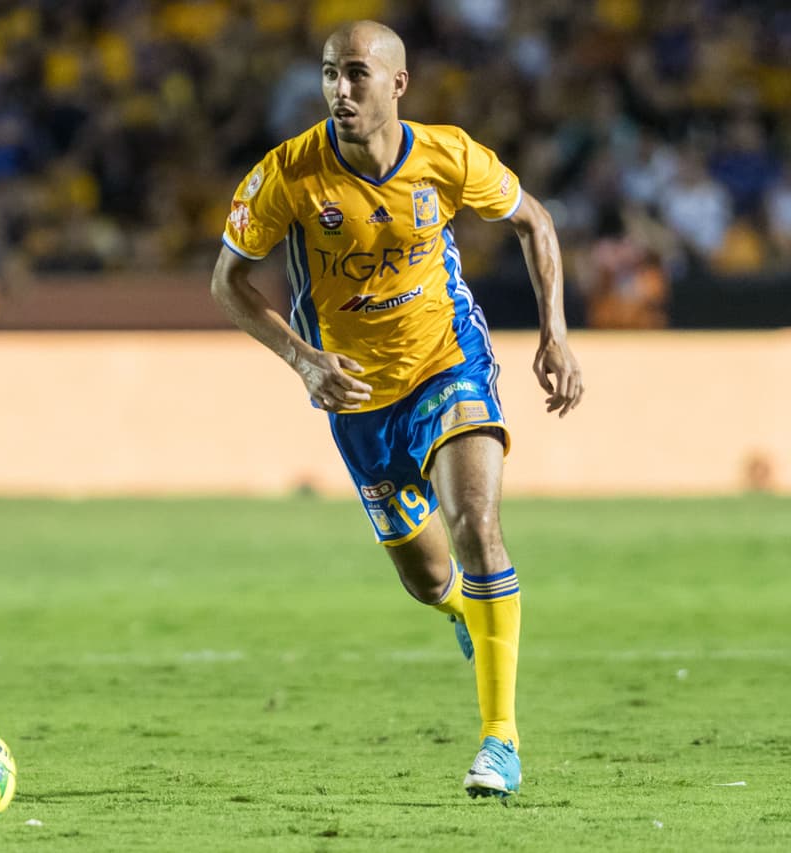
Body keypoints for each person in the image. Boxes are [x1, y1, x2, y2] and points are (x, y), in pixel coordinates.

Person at [210, 20, 583, 800]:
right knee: (427, 576)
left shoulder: (447, 155)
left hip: (447, 360)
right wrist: (303, 360)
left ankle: (500, 739)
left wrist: (555, 333)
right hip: (357, 394)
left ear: (397, 84)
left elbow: (534, 221)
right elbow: (228, 281)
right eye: (328, 75)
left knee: (475, 521)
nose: (339, 91)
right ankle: (458, 610)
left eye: (355, 75)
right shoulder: (288, 175)